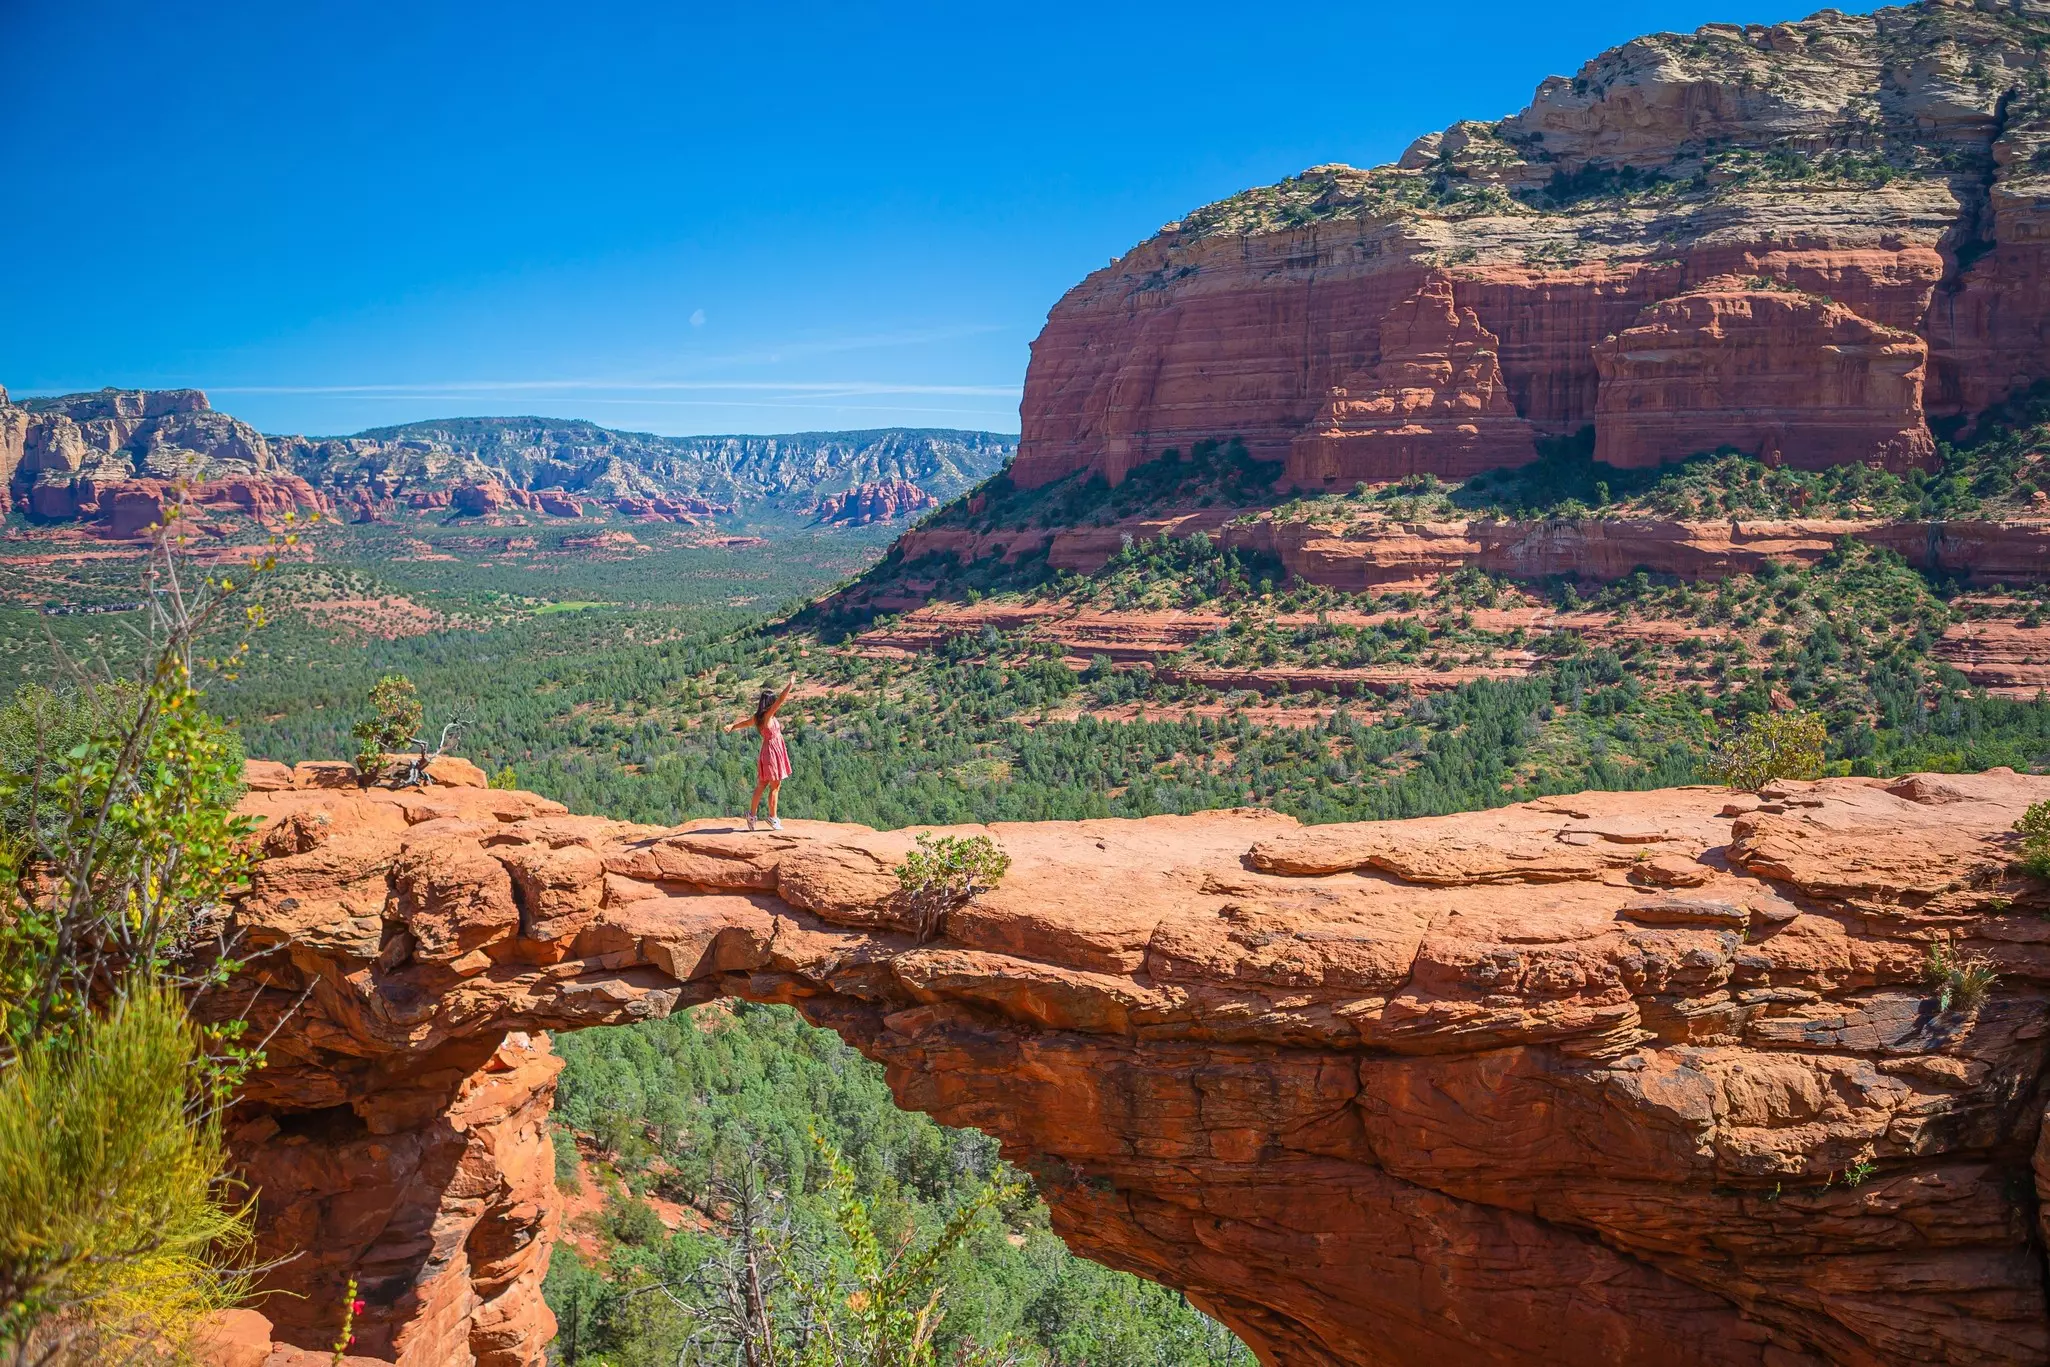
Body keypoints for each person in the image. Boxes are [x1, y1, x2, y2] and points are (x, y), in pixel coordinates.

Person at [728, 674, 795, 830]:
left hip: (766, 751)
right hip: (772, 752)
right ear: (770, 703)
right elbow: (781, 700)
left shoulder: (757, 717)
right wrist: (790, 685)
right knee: (775, 786)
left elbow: (745, 723)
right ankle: (772, 818)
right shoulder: (768, 716)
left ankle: (752, 816)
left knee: (762, 785)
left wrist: (732, 726)